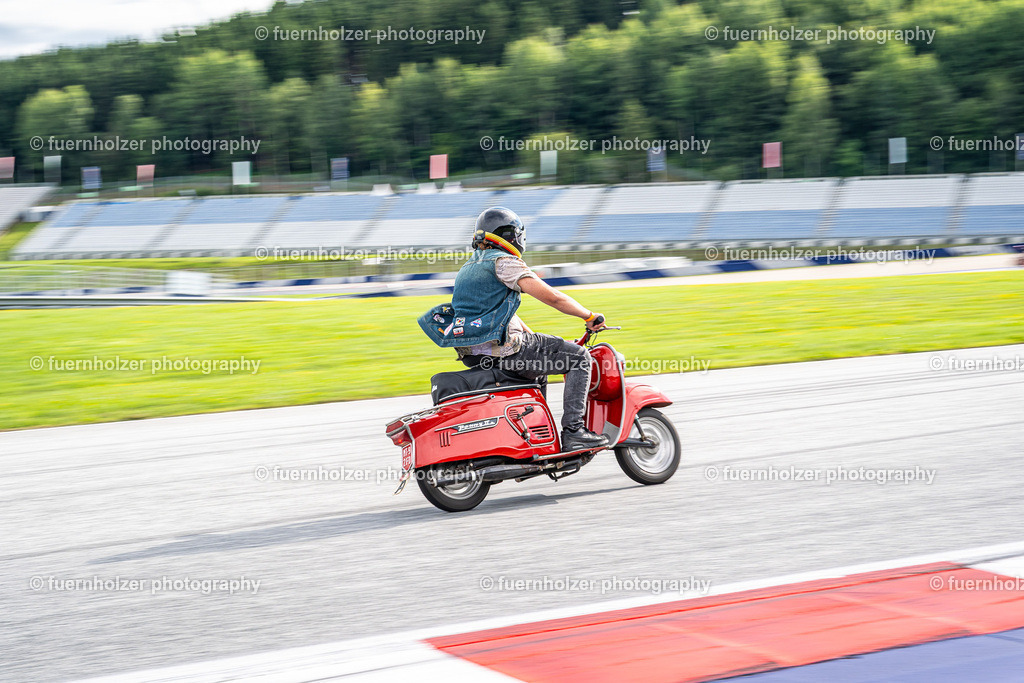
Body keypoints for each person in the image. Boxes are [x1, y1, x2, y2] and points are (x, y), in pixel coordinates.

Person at [418, 207, 609, 452]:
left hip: (476, 355)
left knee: (538, 368)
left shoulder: (467, 268)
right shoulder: (504, 262)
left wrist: (532, 335)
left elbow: (498, 313)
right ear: (511, 236)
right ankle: (574, 431)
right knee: (580, 358)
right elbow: (553, 298)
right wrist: (589, 315)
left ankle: (536, 434)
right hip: (507, 352)